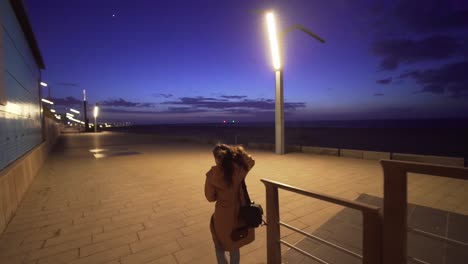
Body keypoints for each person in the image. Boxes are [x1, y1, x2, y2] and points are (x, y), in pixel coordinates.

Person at [205, 144, 256, 264]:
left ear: (216, 158)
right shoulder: (239, 169)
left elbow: (210, 198)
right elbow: (251, 161)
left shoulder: (212, 174)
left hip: (222, 215)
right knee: (234, 244)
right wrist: (237, 153)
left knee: (219, 245)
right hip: (238, 214)